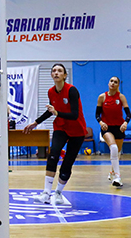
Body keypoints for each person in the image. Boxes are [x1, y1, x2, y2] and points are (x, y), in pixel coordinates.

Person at [24, 63, 87, 206]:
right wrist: (35, 122)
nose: (56, 73)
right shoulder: (51, 92)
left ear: (65, 75)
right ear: (52, 75)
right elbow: (50, 111)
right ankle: (46, 193)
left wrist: (57, 113)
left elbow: (74, 114)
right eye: (54, 71)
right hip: (61, 127)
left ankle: (58, 193)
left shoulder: (72, 90)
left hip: (77, 130)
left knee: (67, 163)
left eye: (59, 71)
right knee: (53, 154)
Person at [96, 76, 131, 187]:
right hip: (107, 128)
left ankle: (111, 172)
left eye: (115, 82)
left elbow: (128, 114)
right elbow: (97, 114)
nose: (113, 83)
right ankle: (118, 177)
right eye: (111, 81)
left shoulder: (121, 97)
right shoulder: (102, 97)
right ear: (108, 83)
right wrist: (101, 122)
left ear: (118, 85)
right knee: (114, 148)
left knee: (117, 153)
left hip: (119, 128)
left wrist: (125, 123)